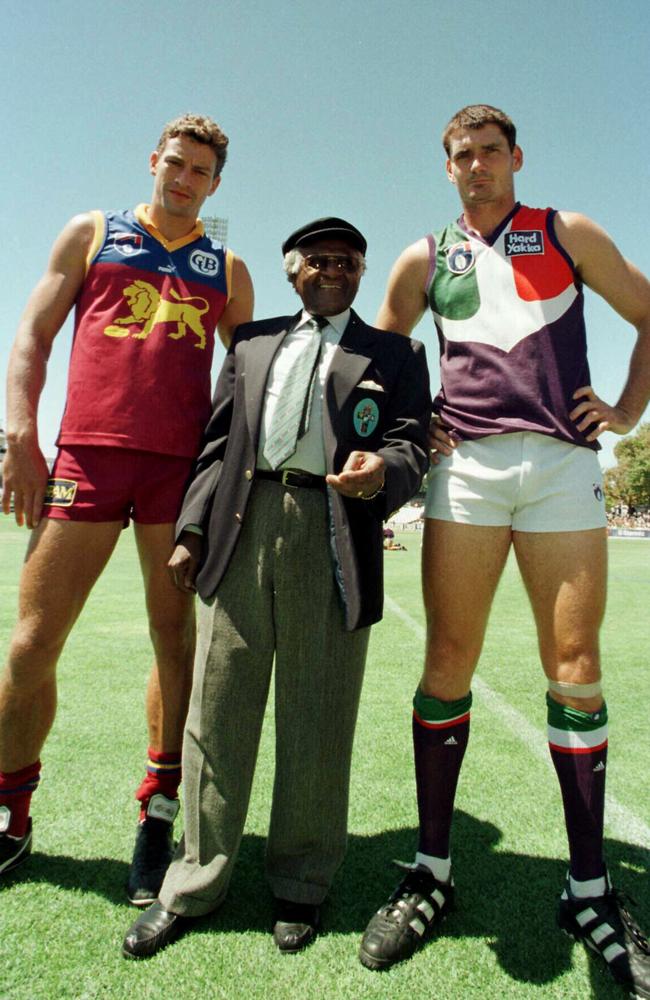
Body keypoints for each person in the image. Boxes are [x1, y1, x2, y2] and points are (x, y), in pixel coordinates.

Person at [359, 105, 650, 997]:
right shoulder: (424, 256)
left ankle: (590, 887)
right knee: (448, 658)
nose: (477, 165)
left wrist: (629, 412)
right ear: (446, 168)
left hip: (563, 467)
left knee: (576, 663)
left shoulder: (566, 231)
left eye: (490, 152)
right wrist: (413, 420)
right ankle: (433, 872)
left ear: (515, 157)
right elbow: (376, 359)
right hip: (469, 474)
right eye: (461, 155)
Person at [121, 216, 431, 959]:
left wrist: (382, 473)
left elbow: (413, 441)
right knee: (218, 712)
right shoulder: (253, 342)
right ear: (292, 271)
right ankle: (194, 880)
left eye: (350, 261)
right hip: (244, 521)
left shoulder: (396, 351)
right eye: (320, 260)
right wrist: (191, 531)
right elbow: (218, 443)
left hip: (335, 527)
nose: (335, 270)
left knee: (317, 718)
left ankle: (301, 883)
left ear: (362, 273)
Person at [0, 114, 254, 905]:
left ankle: (159, 809)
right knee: (34, 639)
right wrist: (19, 434)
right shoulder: (93, 232)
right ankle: (11, 808)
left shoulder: (229, 267)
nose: (184, 180)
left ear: (216, 184)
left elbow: (246, 384)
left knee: (173, 637)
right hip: (84, 457)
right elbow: (35, 337)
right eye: (175, 165)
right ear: (154, 160)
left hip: (178, 470)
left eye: (200, 173)